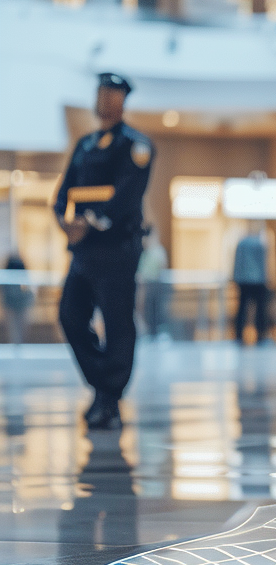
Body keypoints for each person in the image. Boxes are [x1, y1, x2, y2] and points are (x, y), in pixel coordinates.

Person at [54, 72, 153, 431]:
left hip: (117, 250)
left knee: (117, 323)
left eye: (110, 93)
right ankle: (103, 383)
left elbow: (126, 195)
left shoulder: (135, 145)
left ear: (122, 100)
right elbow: (65, 191)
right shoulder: (84, 145)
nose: (103, 99)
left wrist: (92, 221)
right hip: (83, 251)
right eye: (100, 92)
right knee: (69, 315)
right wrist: (63, 220)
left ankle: (109, 398)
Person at [233, 224, 270, 345]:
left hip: (244, 281)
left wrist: (236, 278)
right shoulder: (260, 243)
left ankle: (239, 335)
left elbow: (237, 262)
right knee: (260, 309)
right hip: (258, 281)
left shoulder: (242, 243)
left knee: (242, 308)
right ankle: (261, 335)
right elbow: (264, 264)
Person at [136, 230, 169, 340]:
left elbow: (162, 266)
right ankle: (149, 332)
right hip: (145, 285)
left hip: (155, 285)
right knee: (147, 310)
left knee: (156, 310)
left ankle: (156, 332)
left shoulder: (158, 251)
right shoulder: (146, 251)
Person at [2, 254, 34, 345]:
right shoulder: (10, 271)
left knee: (19, 329)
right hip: (11, 303)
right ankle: (16, 346)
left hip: (20, 303)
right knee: (15, 329)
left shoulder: (20, 271)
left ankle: (18, 346)